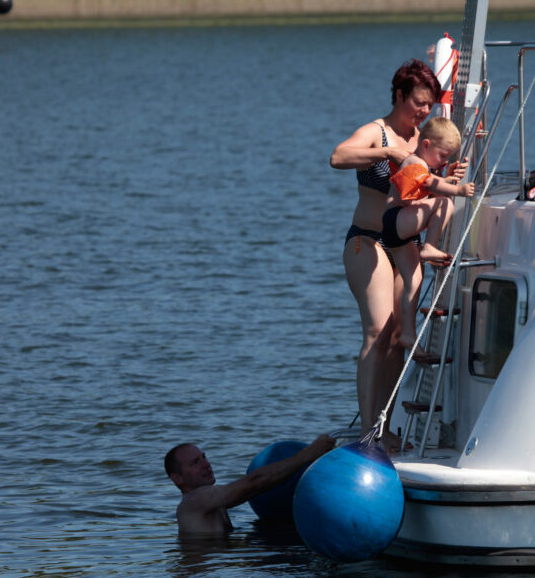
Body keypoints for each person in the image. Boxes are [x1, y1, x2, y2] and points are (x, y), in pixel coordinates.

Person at [329, 59, 466, 450]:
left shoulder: (427, 137)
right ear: (400, 95)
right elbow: (338, 157)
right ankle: (367, 432)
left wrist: (448, 178)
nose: (424, 111)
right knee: (377, 329)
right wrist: (387, 154)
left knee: (394, 337)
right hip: (367, 242)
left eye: (430, 104)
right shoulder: (378, 132)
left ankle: (382, 426)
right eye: (418, 103)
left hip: (402, 247)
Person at [383, 117, 474, 349]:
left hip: (396, 230)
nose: (444, 161)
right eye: (442, 156)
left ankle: (408, 333)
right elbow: (430, 183)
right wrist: (457, 189)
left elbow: (426, 187)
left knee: (414, 281)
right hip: (396, 220)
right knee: (446, 203)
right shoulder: (415, 162)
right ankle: (429, 246)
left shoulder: (423, 166)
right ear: (425, 145)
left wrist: (446, 178)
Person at [165, 434, 335, 536]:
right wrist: (308, 454)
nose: (206, 464)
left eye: (204, 457)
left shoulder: (213, 501)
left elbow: (258, 488)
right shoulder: (193, 501)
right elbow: (254, 482)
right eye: (195, 462)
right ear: (177, 478)